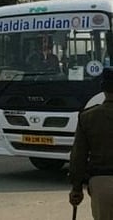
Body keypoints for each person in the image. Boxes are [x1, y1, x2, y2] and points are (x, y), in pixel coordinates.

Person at [69, 67, 113, 218]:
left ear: (103, 89)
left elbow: (78, 156)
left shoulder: (88, 117)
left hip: (101, 184)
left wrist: (76, 188)